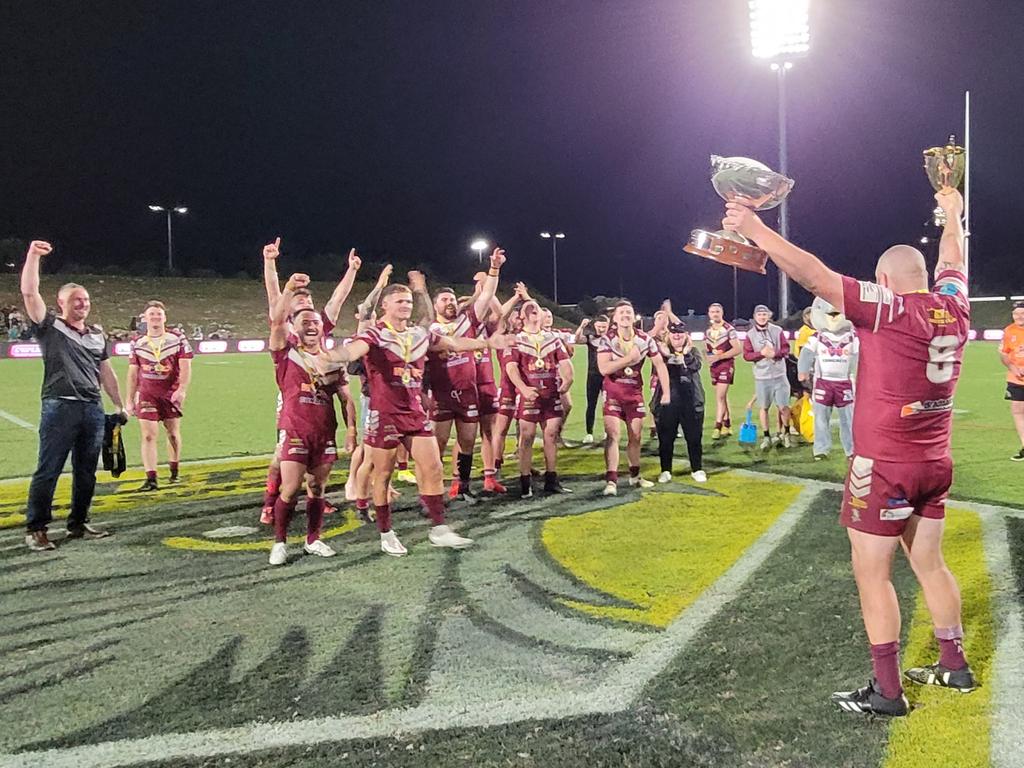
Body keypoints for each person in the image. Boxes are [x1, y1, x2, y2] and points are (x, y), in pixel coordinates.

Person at [723, 188, 974, 717]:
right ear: (925, 277)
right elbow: (953, 255)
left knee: (872, 573)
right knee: (930, 562)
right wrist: (952, 213)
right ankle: (955, 666)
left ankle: (887, 691)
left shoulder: (886, 309)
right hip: (936, 460)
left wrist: (756, 230)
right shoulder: (955, 304)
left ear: (883, 282)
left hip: (884, 465)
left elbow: (814, 274)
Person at [316, 275, 508, 556]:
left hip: (414, 412)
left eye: (408, 301)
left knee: (433, 468)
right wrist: (334, 356)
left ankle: (439, 528)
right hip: (385, 414)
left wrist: (488, 344)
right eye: (400, 301)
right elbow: (354, 349)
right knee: (382, 474)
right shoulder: (375, 334)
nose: (406, 305)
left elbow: (452, 343)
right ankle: (386, 532)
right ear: (385, 306)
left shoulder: (419, 334)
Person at [19, 240, 125, 551]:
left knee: (87, 471)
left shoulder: (95, 334)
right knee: (48, 469)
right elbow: (29, 293)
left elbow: (106, 371)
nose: (83, 304)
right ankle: (36, 528)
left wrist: (119, 403)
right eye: (76, 300)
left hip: (92, 408)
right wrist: (33, 256)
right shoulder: (50, 326)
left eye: (86, 299)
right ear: (61, 302)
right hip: (59, 407)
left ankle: (78, 522)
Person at [260, 238, 360, 523]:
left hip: (320, 387)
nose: (307, 305)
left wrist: (351, 270)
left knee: (318, 450)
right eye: (299, 301)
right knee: (282, 455)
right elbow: (273, 296)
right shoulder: (286, 328)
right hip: (291, 396)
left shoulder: (318, 324)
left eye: (309, 302)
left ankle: (317, 496)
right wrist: (270, 262)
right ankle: (270, 502)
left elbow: (337, 300)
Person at [265, 273, 342, 566]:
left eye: (316, 323)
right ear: (294, 328)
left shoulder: (330, 359)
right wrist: (286, 288)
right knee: (291, 488)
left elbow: (343, 396)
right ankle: (280, 543)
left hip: (324, 432)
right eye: (305, 323)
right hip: (295, 429)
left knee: (318, 488)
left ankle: (313, 539)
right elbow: (276, 321)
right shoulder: (286, 354)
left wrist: (350, 430)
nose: (312, 326)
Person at [427, 249, 504, 500]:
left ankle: (463, 487)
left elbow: (488, 295)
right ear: (435, 304)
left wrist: (494, 269)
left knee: (468, 442)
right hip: (441, 394)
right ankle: (433, 489)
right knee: (437, 445)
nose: (450, 303)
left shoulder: (467, 321)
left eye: (451, 299)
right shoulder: (430, 330)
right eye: (444, 300)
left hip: (468, 391)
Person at [502, 300, 575, 497]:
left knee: (551, 435)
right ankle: (525, 483)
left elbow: (565, 361)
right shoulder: (516, 340)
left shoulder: (553, 338)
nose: (533, 308)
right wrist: (523, 388)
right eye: (529, 307)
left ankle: (551, 480)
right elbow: (511, 367)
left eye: (536, 306)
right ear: (522, 316)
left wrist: (568, 379)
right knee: (526, 437)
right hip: (530, 396)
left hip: (550, 394)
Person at [597, 301, 670, 495]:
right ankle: (611, 481)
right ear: (615, 318)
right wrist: (628, 359)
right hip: (612, 393)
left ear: (634, 315)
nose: (625, 315)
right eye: (621, 312)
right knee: (613, 436)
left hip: (634, 394)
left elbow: (660, 364)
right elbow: (603, 368)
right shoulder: (607, 339)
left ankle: (635, 476)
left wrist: (667, 393)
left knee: (635, 437)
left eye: (628, 312)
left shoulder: (644, 339)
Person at [126, 301, 193, 490]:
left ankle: (174, 470)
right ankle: (151, 478)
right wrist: (129, 399)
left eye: (159, 314)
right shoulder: (137, 343)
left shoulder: (177, 338)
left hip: (170, 394)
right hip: (147, 393)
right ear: (145, 318)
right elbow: (132, 373)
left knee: (172, 433)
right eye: (152, 314)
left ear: (165, 317)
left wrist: (181, 390)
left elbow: (186, 366)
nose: (155, 317)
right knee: (148, 435)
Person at [798, 299, 858, 460]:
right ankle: (821, 449)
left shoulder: (852, 337)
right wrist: (802, 370)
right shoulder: (818, 336)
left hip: (845, 383)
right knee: (820, 418)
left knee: (848, 419)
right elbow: (806, 353)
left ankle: (851, 450)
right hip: (823, 381)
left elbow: (860, 357)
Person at [653, 321, 706, 483]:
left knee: (694, 438)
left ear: (686, 336)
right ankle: (666, 470)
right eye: (674, 333)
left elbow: (696, 365)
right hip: (668, 402)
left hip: (691, 402)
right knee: (666, 438)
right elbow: (657, 368)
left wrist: (685, 354)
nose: (677, 336)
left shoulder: (693, 351)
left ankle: (697, 469)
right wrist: (667, 355)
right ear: (668, 335)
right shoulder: (661, 352)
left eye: (680, 333)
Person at [743, 304, 792, 450]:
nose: (762, 317)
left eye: (764, 315)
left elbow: (786, 348)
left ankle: (786, 433)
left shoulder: (777, 331)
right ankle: (766, 437)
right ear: (755, 317)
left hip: (779, 375)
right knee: (763, 407)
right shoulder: (750, 335)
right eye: (759, 315)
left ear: (769, 316)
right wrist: (761, 354)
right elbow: (746, 355)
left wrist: (775, 354)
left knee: (783, 407)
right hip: (762, 377)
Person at [704, 302, 741, 439]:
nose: (715, 314)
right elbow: (706, 349)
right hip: (714, 367)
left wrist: (720, 356)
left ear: (722, 313)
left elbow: (737, 349)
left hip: (726, 365)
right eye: (712, 311)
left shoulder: (729, 329)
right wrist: (708, 357)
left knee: (719, 397)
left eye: (717, 311)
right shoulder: (708, 331)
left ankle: (717, 426)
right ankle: (728, 424)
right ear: (709, 314)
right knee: (722, 397)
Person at [1000, 301, 1024, 461]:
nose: (1019, 316)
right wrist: (1014, 368)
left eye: (1022, 313)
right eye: (1016, 313)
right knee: (1018, 411)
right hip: (1016, 379)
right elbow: (1003, 353)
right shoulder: (1009, 331)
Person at [582, 314, 610, 445]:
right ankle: (589, 433)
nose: (601, 329)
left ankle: (608, 432)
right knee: (591, 404)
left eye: (604, 327)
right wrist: (581, 327)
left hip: (607, 375)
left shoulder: (611, 339)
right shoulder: (590, 338)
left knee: (608, 405)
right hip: (592, 375)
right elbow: (577, 339)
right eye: (599, 326)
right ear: (594, 326)